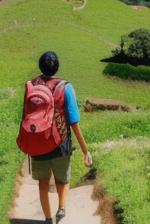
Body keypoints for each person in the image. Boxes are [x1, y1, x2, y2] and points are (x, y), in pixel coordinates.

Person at [27, 51, 93, 224]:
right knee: (62, 180)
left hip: (37, 144)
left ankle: (48, 219)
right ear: (57, 67)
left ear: (40, 66)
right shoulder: (65, 88)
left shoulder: (31, 85)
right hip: (60, 144)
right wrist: (85, 151)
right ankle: (61, 210)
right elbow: (74, 123)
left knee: (42, 182)